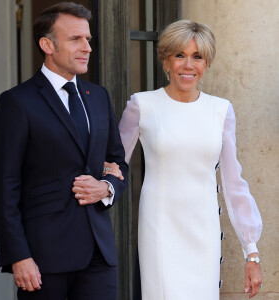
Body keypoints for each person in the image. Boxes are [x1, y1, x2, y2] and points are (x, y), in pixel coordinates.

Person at [107, 20, 263, 299]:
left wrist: (251, 251)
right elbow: (114, 165)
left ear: (207, 63)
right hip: (159, 228)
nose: (188, 65)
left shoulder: (221, 110)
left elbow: (233, 182)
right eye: (179, 55)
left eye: (197, 57)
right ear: (166, 60)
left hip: (203, 229)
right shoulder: (142, 105)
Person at [0, 2, 127, 300]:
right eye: (75, 39)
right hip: (43, 258)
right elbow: (4, 186)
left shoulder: (99, 97)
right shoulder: (17, 102)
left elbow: (119, 163)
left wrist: (106, 187)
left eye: (88, 39)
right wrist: (18, 255)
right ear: (47, 44)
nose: (87, 47)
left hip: (99, 253)